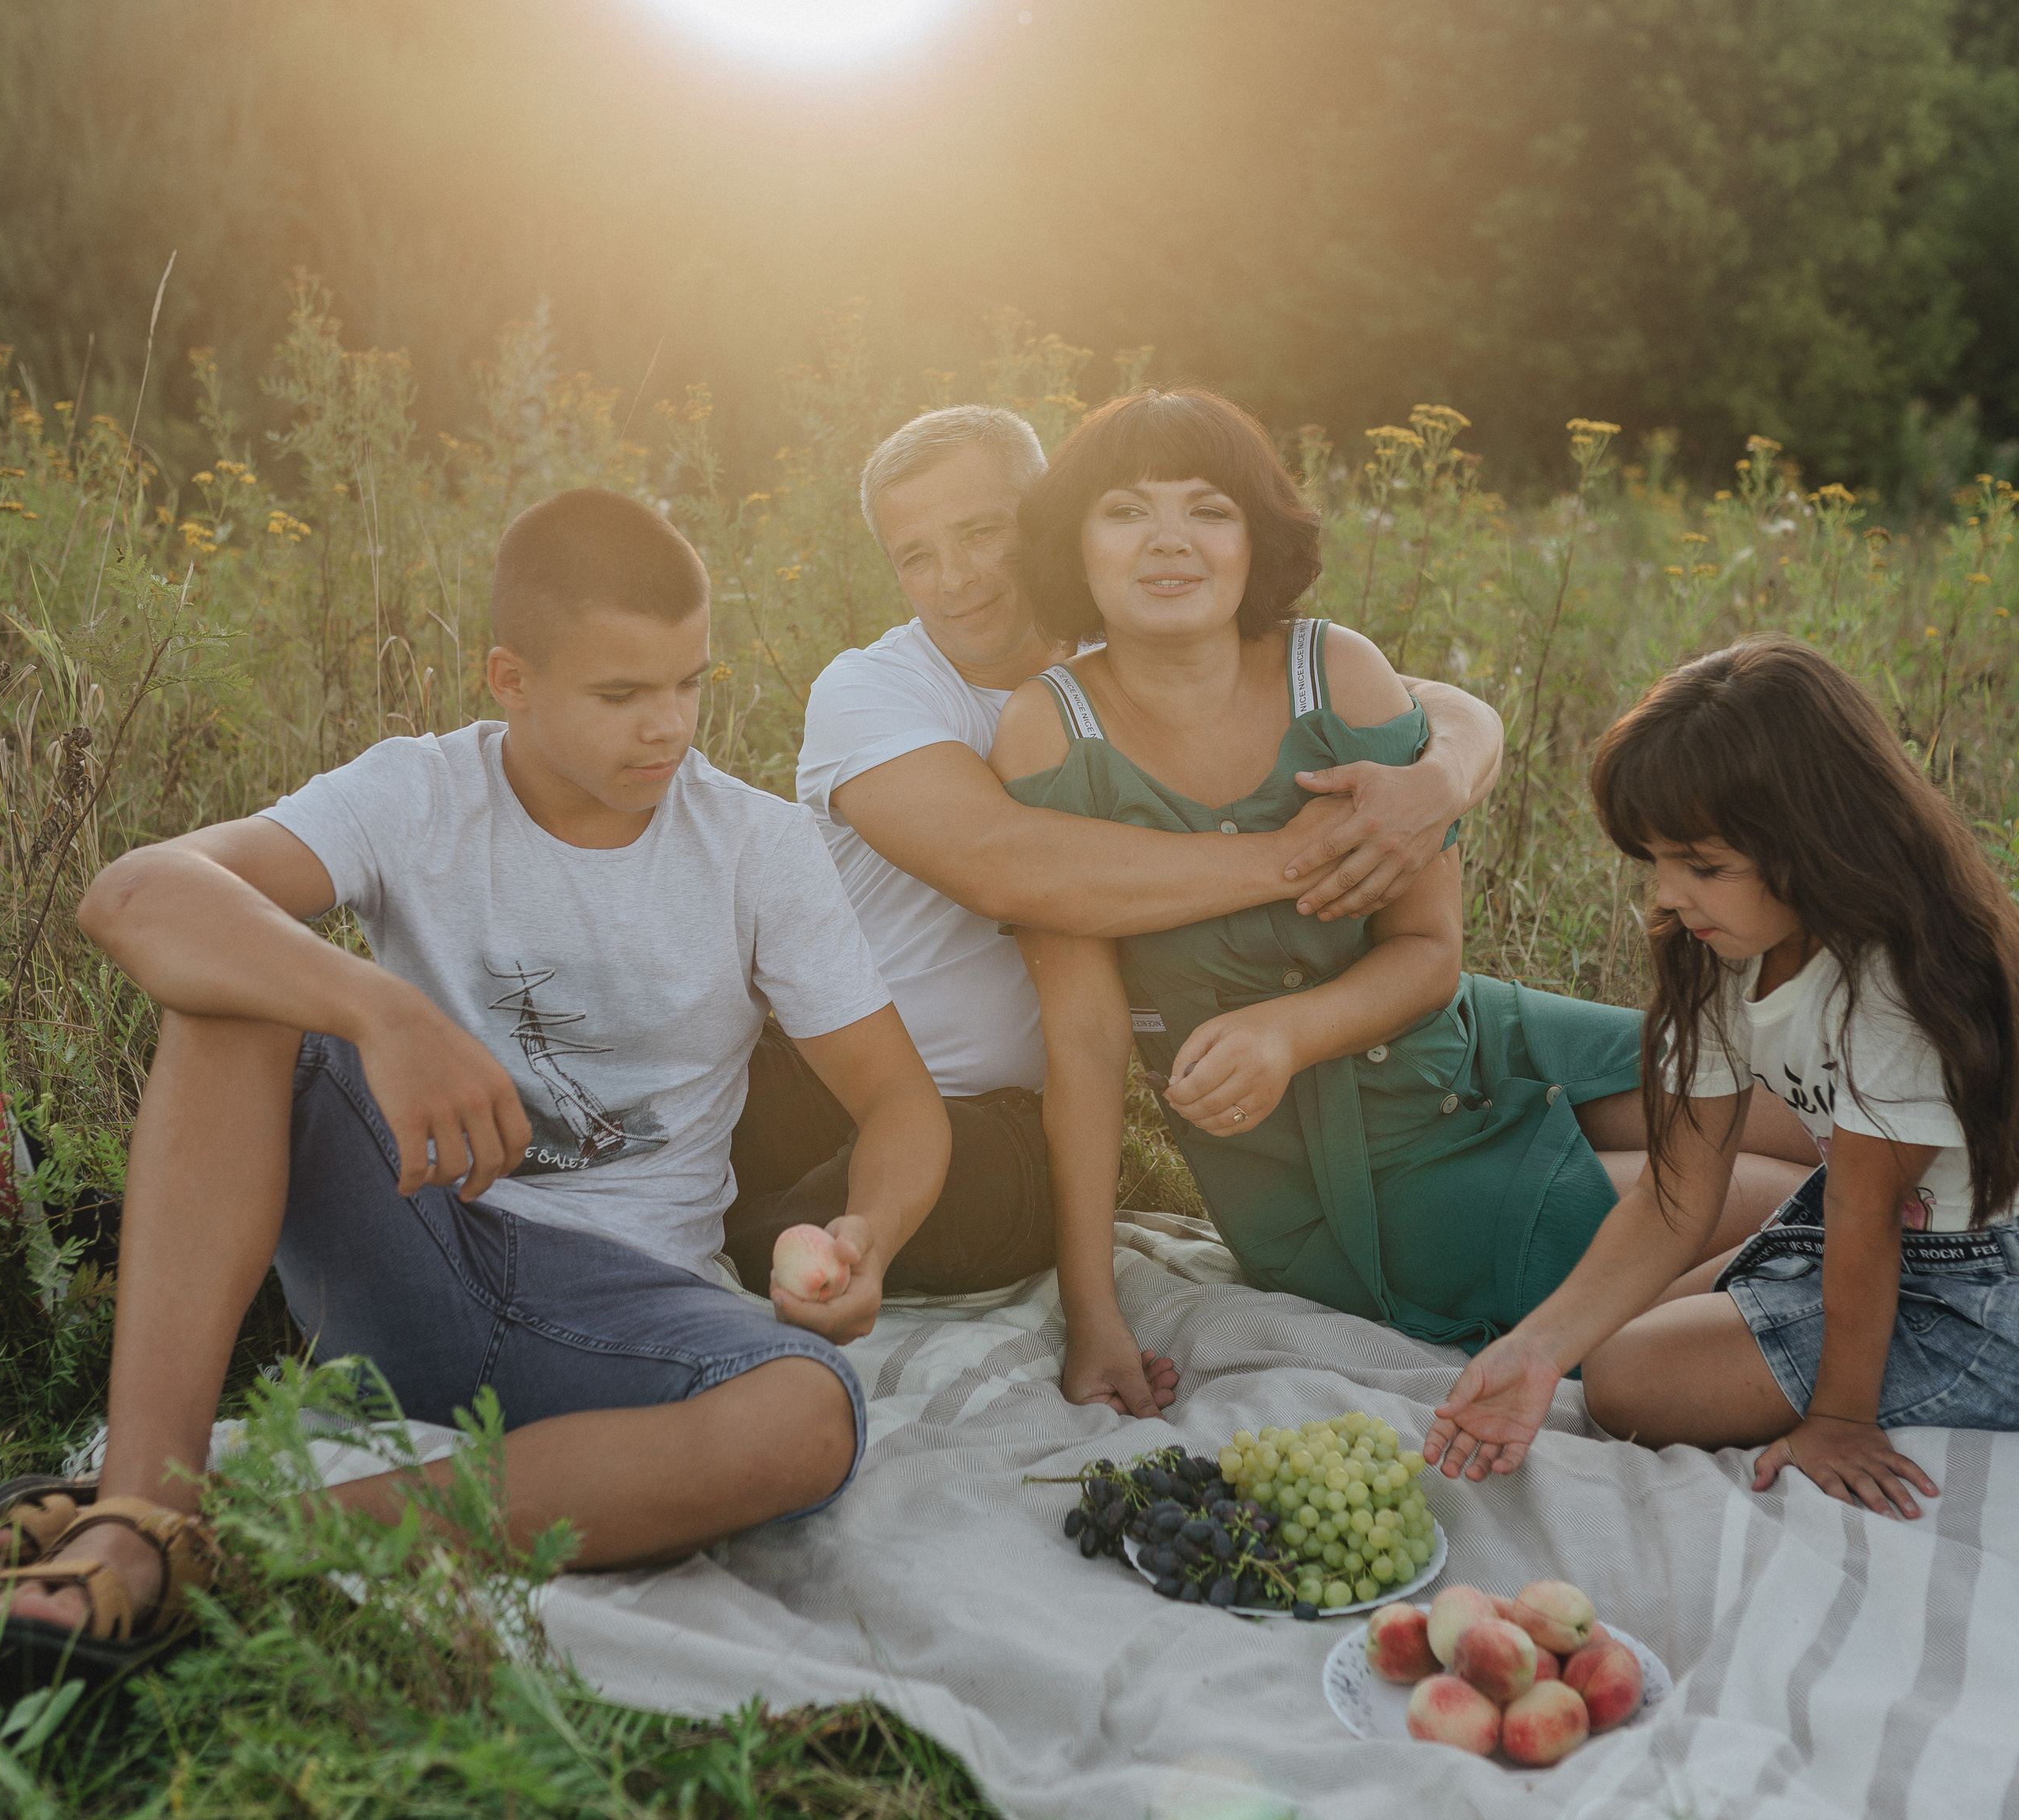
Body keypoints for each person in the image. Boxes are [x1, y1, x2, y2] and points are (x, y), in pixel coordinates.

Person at [0, 490, 949, 1673]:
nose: (669, 728)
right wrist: (378, 1008)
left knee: (811, 1414)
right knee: (234, 990)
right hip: (414, 1248)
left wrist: (875, 1233)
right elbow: (132, 897)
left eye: (689, 683)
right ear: (511, 676)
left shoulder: (757, 845)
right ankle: (135, 1511)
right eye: (620, 694)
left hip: (621, 1319)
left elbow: (902, 1104)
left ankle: (233, 1533)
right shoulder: (417, 793)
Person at [988, 390, 1813, 1414]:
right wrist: (1094, 1311)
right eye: (1125, 510)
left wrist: (1288, 1026)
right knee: (1793, 1210)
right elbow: (1083, 1034)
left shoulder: (1334, 672)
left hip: (1469, 1030)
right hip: (1347, 1176)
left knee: (1806, 1114)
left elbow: (1427, 952)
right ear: (1076, 540)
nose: (1170, 541)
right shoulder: (1052, 734)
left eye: (1207, 508)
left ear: (1255, 536)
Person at [728, 401, 1511, 1304]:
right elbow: (1011, 866)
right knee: (664, 1144)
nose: (954, 578)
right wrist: (1296, 854)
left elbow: (1415, 700)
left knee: (842, 1230)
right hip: (829, 1075)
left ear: (1047, 517)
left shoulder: (1138, 641)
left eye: (982, 533)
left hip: (998, 1117)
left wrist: (1444, 774)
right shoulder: (869, 691)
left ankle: (719, 1279)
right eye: (916, 556)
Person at [1422, 638, 2019, 1519]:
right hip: (1847, 1223)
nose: (1667, 896)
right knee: (1609, 1346)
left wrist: (1838, 1418)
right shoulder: (1721, 953)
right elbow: (1674, 1199)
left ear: (1812, 842)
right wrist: (1536, 1349)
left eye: (1702, 867)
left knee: (1627, 1382)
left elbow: (1867, 1226)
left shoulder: (1894, 982)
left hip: (1969, 1278)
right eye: (1655, 861)